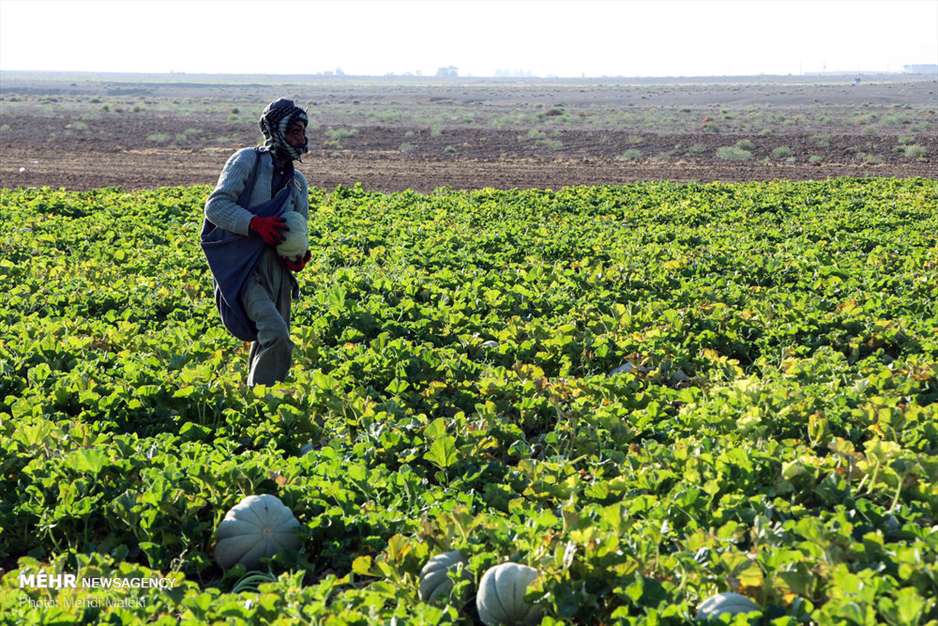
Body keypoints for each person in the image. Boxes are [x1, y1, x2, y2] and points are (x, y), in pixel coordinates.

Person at [204, 98, 313, 387]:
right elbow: (215, 207)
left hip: (277, 270)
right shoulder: (247, 161)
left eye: (303, 132)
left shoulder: (297, 181)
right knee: (276, 334)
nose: (300, 139)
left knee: (270, 338)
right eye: (294, 132)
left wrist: (298, 256)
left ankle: (256, 401)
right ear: (275, 130)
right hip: (244, 266)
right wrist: (255, 223)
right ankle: (262, 398)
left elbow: (299, 226)